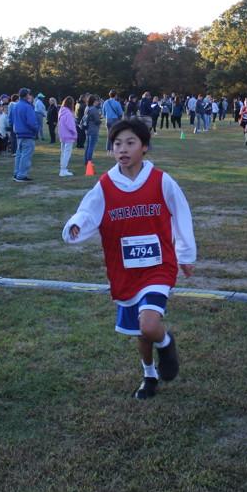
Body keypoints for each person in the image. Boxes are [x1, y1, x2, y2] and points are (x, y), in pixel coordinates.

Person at [62, 119, 196, 400]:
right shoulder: (106, 185)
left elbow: (182, 215)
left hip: (158, 266)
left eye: (130, 143)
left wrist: (185, 255)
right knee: (141, 331)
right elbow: (88, 211)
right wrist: (77, 224)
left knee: (149, 325)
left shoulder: (162, 181)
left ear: (144, 147)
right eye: (117, 144)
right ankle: (149, 375)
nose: (122, 149)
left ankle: (166, 344)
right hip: (124, 269)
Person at [11, 87, 39, 182]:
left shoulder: (15, 106)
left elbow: (12, 119)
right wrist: (36, 129)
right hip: (28, 133)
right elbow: (31, 122)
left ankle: (17, 173)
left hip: (19, 133)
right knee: (26, 155)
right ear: (27, 95)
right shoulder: (27, 107)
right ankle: (21, 175)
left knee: (19, 154)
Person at [57, 96, 77, 176]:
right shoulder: (68, 114)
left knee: (63, 152)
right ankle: (63, 169)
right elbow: (71, 126)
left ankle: (62, 168)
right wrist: (75, 133)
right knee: (67, 153)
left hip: (62, 135)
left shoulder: (61, 111)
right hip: (68, 135)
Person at [83, 94, 103, 167]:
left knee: (88, 146)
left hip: (88, 129)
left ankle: (86, 161)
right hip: (93, 129)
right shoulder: (93, 109)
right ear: (94, 101)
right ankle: (89, 161)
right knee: (91, 146)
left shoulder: (87, 108)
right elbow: (97, 120)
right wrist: (100, 120)